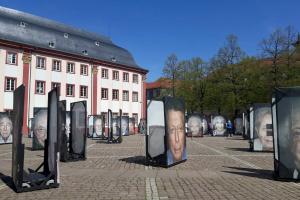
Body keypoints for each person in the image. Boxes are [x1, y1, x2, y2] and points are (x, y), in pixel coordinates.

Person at [165, 98, 187, 165]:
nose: (176, 139)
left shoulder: (185, 154)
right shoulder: (164, 158)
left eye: (180, 129)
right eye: (172, 130)